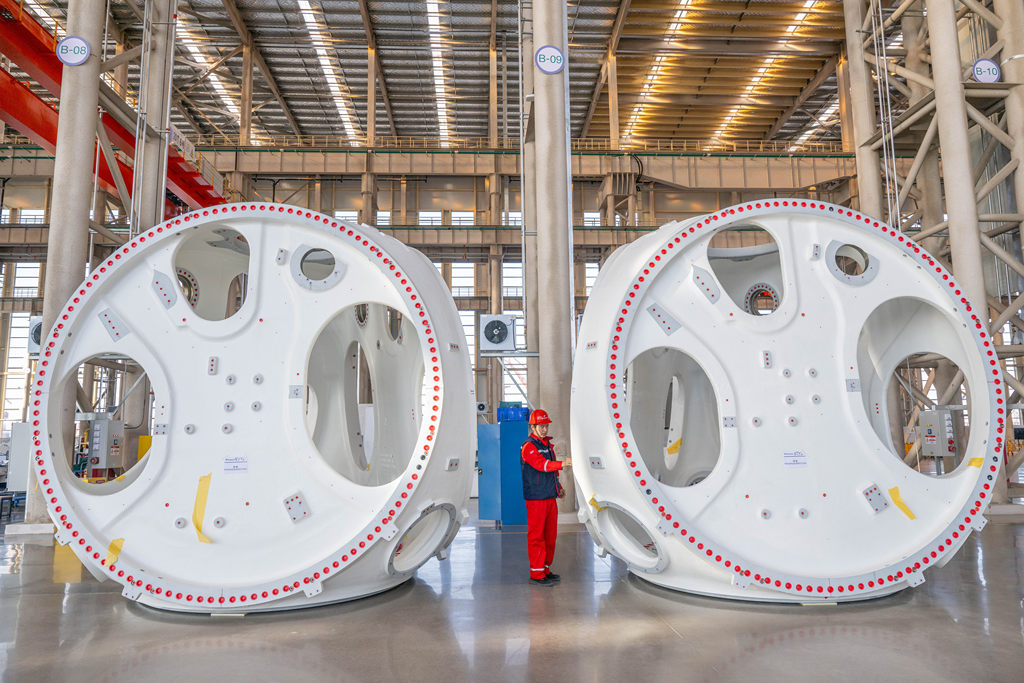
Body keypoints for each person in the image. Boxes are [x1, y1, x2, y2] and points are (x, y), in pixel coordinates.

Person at [520, 408, 572, 586]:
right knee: (537, 536)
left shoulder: (548, 445)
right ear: (532, 427)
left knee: (550, 536)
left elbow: (551, 472)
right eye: (541, 426)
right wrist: (563, 463)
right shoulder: (529, 446)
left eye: (546, 426)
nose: (544, 429)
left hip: (549, 496)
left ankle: (545, 569)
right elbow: (542, 465)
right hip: (536, 498)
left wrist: (559, 487)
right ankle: (536, 574)